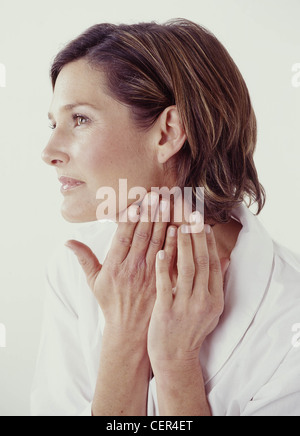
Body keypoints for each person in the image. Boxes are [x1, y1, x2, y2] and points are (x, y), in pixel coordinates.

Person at [31, 19, 300, 416]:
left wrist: (177, 365)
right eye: (54, 123)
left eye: (80, 119)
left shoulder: (288, 311)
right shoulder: (73, 273)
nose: (49, 150)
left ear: (167, 133)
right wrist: (125, 337)